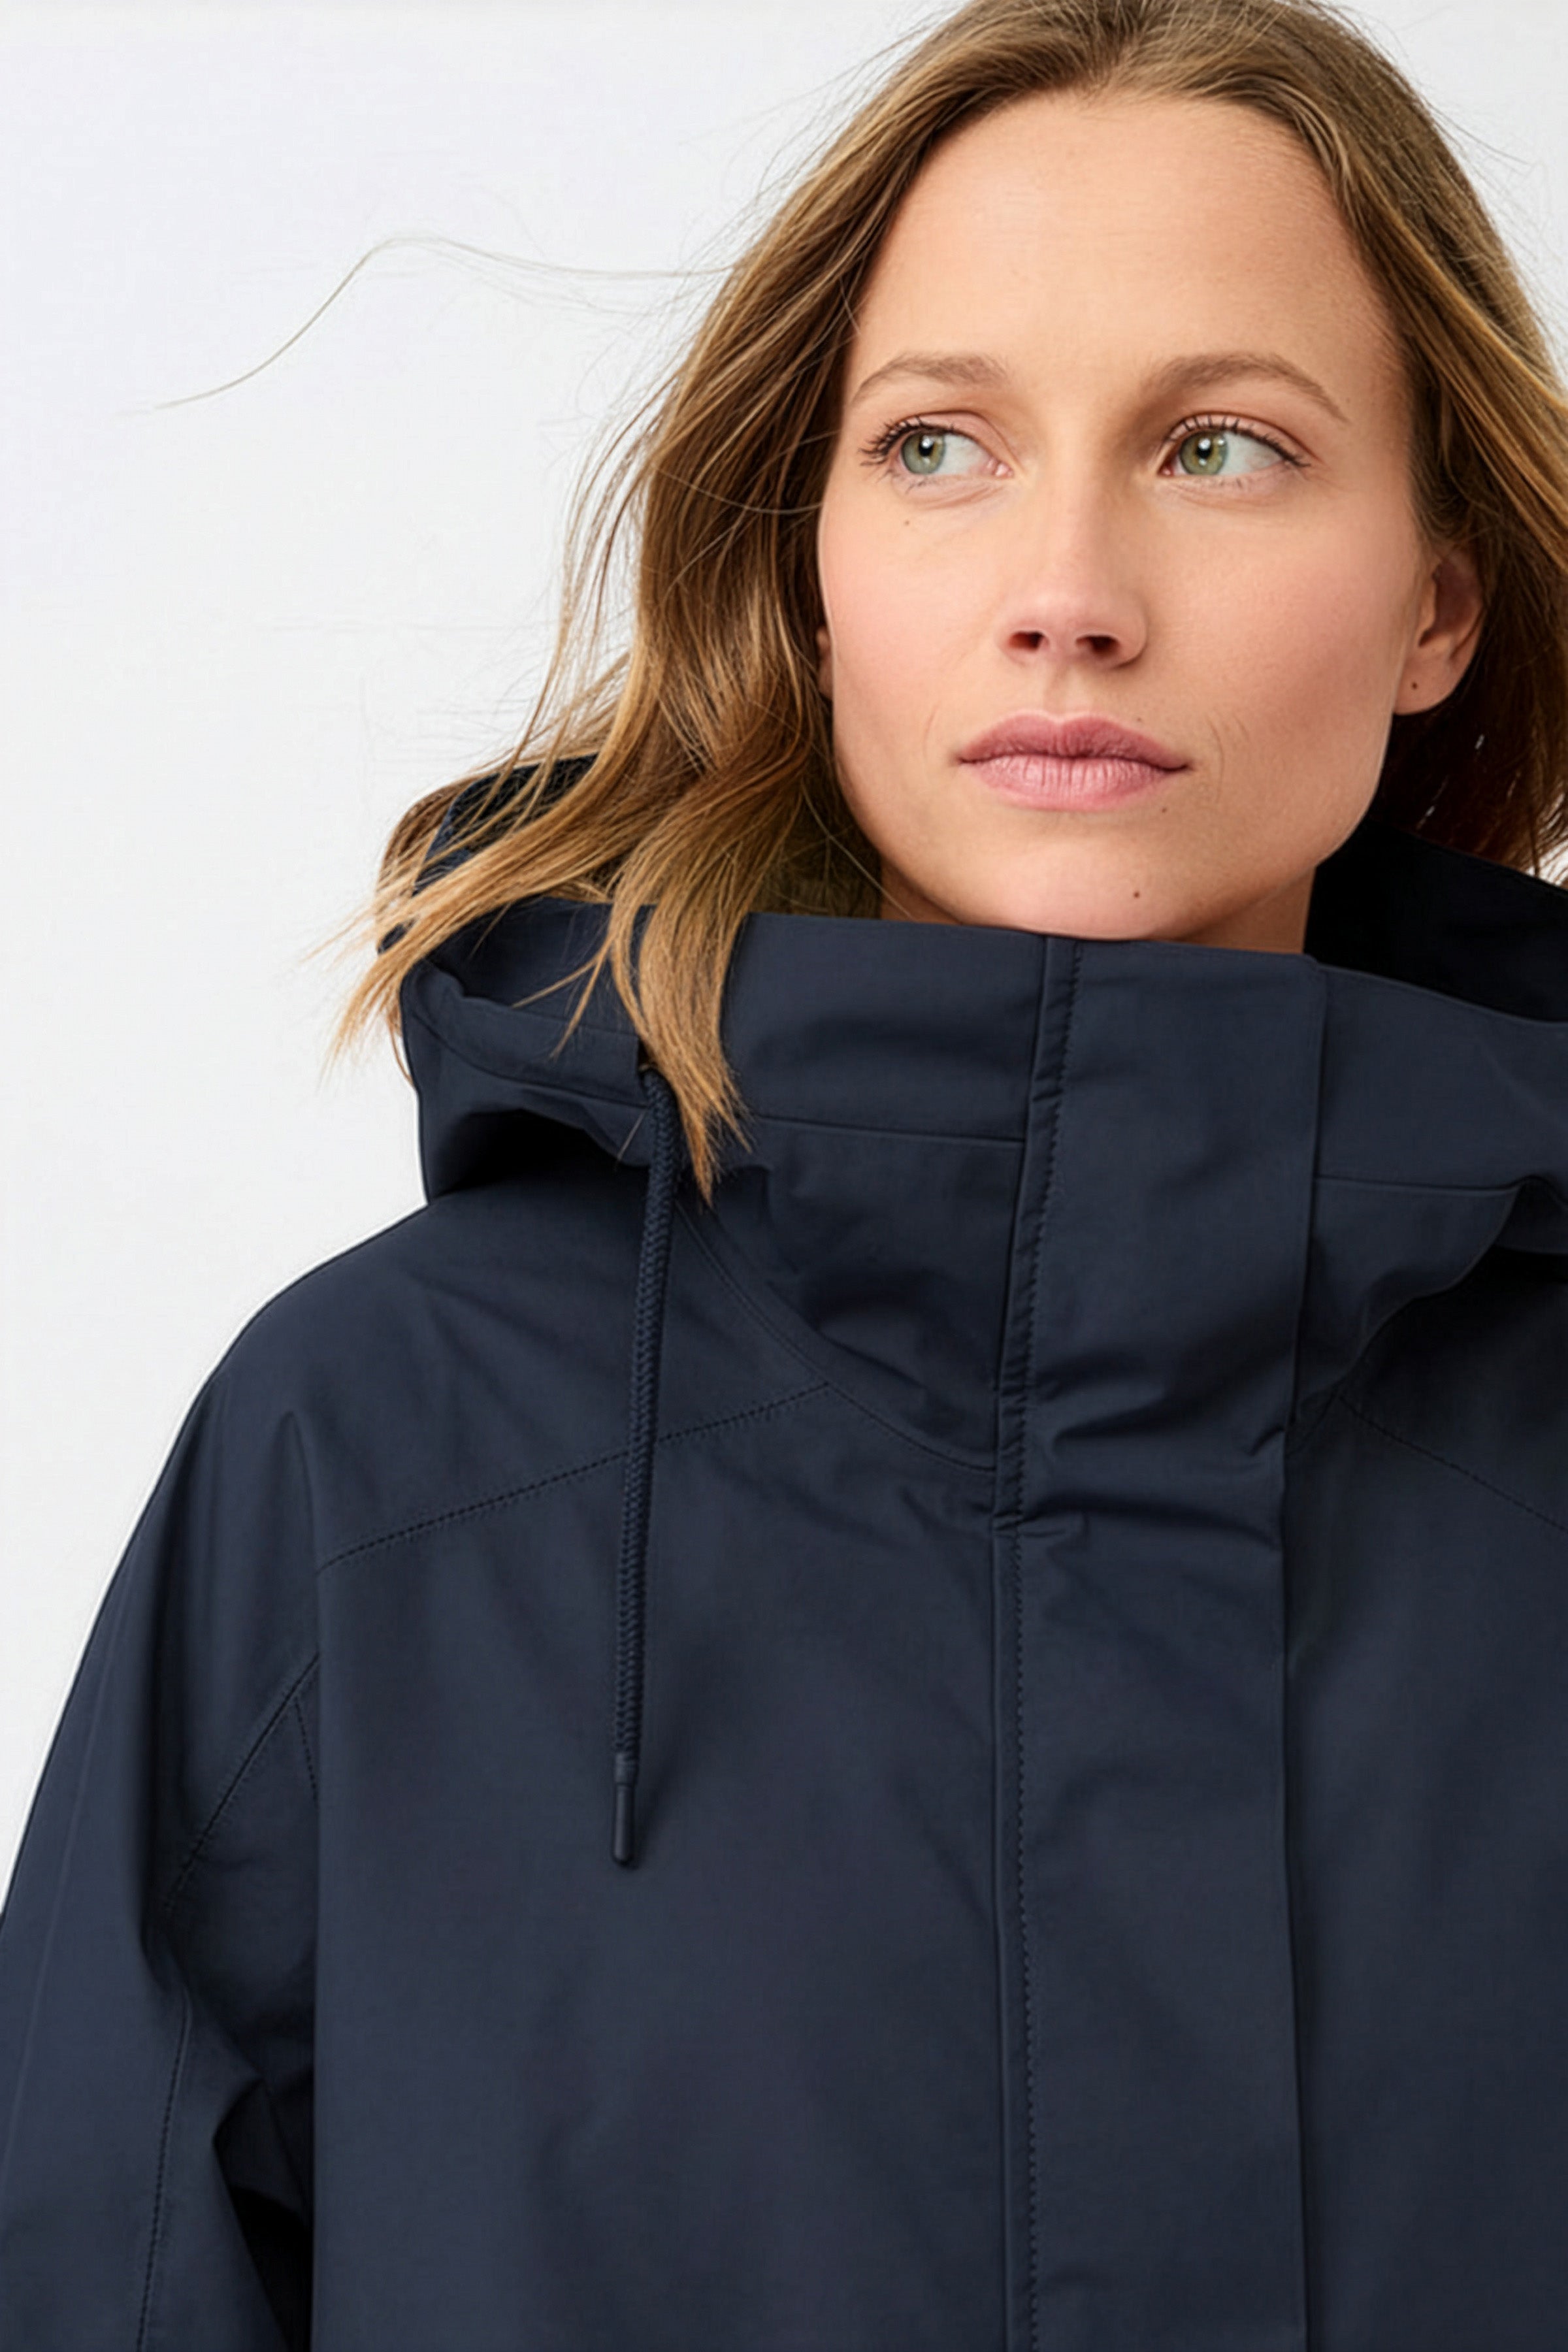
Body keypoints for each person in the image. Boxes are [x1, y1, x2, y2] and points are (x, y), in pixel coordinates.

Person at [3, 0, 1567, 2342]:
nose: (1069, 587)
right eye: (937, 444)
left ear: (1440, 597)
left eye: (1222, 446)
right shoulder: (376, 1455)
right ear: (815, 566)